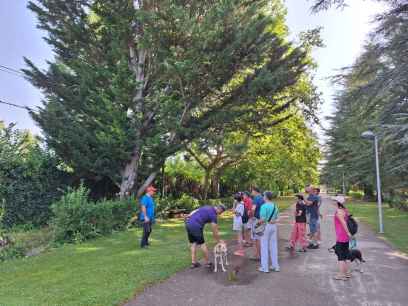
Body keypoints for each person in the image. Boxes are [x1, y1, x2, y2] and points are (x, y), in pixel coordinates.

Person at [185, 204, 226, 269]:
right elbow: (215, 230)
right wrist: (219, 241)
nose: (220, 214)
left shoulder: (207, 207)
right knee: (202, 244)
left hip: (188, 223)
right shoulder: (213, 215)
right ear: (219, 209)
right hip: (196, 226)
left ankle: (194, 263)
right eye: (221, 212)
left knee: (193, 243)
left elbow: (195, 210)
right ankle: (208, 263)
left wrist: (189, 215)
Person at [258, 191, 280, 273]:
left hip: (265, 226)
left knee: (264, 247)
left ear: (266, 197)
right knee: (274, 246)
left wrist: (257, 223)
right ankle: (275, 266)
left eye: (263, 195)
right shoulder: (275, 205)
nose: (263, 197)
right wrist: (273, 221)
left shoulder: (264, 206)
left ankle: (265, 267)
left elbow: (263, 219)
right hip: (273, 226)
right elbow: (278, 218)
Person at [332, 195, 352, 280]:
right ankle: (347, 273)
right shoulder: (345, 210)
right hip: (345, 236)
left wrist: (347, 232)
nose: (334, 202)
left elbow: (343, 223)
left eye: (335, 201)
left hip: (341, 235)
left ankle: (341, 275)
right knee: (346, 254)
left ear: (338, 202)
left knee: (340, 256)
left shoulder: (339, 211)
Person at [251, 187, 265, 260]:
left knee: (257, 238)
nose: (251, 193)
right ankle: (258, 255)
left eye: (252, 191)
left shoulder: (256, 198)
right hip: (262, 220)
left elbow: (253, 209)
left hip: (256, 220)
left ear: (255, 191)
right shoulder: (263, 198)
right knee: (260, 237)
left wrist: (252, 216)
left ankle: (259, 256)